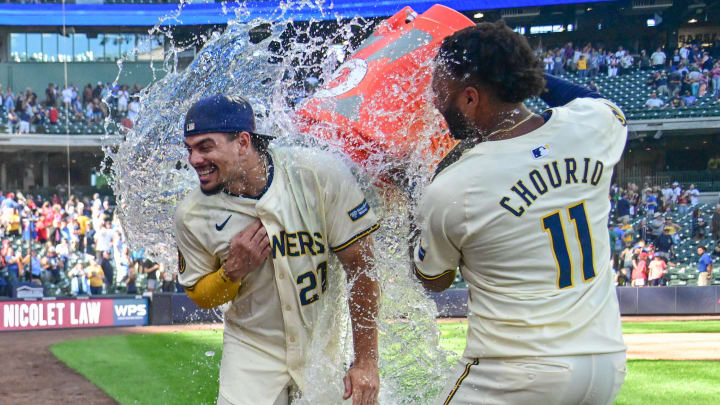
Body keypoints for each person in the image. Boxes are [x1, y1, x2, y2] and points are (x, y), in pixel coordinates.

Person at [412, 22, 626, 405]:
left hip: (514, 374)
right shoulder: (594, 128)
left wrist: (413, 196)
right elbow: (592, 98)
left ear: (471, 98)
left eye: (441, 89)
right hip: (604, 364)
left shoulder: (455, 186)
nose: (433, 99)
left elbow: (434, 279)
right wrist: (522, 76)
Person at [175, 94, 380, 405]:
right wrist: (232, 272)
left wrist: (366, 361)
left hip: (321, 346)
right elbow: (199, 295)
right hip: (251, 350)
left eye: (206, 147)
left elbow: (362, 265)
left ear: (243, 142)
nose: (194, 160)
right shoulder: (191, 214)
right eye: (189, 149)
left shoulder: (317, 173)